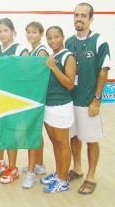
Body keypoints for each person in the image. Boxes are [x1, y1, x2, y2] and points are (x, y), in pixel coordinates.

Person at [65, 3, 111, 194]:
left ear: (91, 18)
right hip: (70, 101)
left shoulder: (100, 41)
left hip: (88, 102)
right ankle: (77, 168)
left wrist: (97, 99)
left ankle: (91, 177)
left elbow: (103, 71)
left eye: (83, 16)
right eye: (76, 15)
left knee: (91, 140)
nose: (79, 19)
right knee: (74, 137)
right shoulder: (68, 42)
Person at [40, 26, 76, 193]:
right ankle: (58, 173)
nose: (53, 41)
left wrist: (54, 67)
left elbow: (69, 84)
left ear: (62, 37)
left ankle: (63, 180)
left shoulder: (68, 57)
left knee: (63, 144)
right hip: (49, 105)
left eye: (56, 37)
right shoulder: (52, 56)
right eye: (49, 38)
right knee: (55, 143)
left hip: (62, 106)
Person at [0, 18, 29, 186]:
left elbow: (27, 71)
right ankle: (1, 162)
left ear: (13, 31)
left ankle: (13, 167)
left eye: (5, 30)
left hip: (14, 99)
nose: (2, 34)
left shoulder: (21, 49)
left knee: (11, 133)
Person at [21, 21, 48, 189]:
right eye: (28, 32)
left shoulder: (41, 51)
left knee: (32, 133)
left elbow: (37, 77)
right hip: (33, 97)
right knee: (37, 133)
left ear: (41, 33)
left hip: (36, 98)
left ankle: (31, 173)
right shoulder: (31, 51)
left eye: (34, 32)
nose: (31, 35)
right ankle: (39, 164)